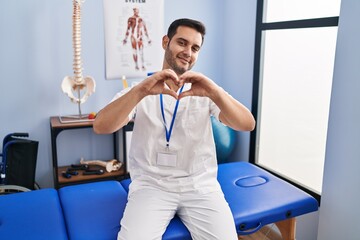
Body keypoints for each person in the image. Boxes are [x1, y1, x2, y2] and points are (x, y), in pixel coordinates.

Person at [94, 18, 255, 240]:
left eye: (195, 48)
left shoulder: (205, 91)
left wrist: (214, 91)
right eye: (182, 42)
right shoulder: (140, 90)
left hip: (200, 186)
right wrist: (141, 91)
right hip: (152, 186)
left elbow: (247, 124)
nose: (188, 51)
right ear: (165, 42)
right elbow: (101, 126)